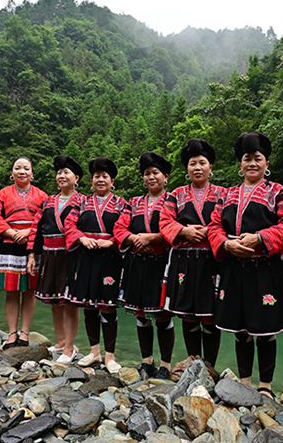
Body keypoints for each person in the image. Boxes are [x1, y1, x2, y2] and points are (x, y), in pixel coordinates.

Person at [208, 132, 283, 399]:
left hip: (265, 268)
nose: (252, 163)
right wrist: (226, 244)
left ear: (266, 163)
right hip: (234, 268)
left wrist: (260, 238)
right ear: (240, 164)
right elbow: (214, 226)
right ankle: (245, 382)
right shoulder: (227, 194)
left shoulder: (278, 192)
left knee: (266, 331)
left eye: (258, 158)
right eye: (247, 158)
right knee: (240, 330)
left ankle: (266, 385)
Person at [159, 139, 226, 368]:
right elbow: (165, 221)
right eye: (192, 163)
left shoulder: (223, 194)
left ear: (210, 167)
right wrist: (183, 231)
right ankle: (194, 364)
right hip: (184, 260)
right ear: (187, 169)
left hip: (211, 260)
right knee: (188, 314)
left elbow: (225, 221)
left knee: (210, 315)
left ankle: (210, 367)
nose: (197, 167)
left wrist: (209, 231)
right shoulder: (176, 195)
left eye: (202, 163)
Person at [114, 152, 175, 379]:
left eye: (155, 173)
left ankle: (166, 365)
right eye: (147, 173)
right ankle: (147, 361)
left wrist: (153, 238)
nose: (151, 177)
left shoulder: (173, 201)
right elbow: (119, 228)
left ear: (165, 176)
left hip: (162, 264)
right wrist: (135, 239)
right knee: (141, 315)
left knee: (162, 315)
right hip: (137, 263)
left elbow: (176, 228)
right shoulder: (134, 203)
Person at [64, 157, 127, 374]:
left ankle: (110, 356)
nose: (100, 180)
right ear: (91, 181)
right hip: (86, 255)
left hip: (109, 258)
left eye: (105, 176)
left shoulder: (122, 204)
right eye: (97, 176)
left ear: (112, 181)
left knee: (107, 305)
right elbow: (69, 225)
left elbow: (124, 227)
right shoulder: (81, 203)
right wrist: (81, 238)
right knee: (89, 305)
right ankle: (94, 352)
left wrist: (112, 241)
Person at [26, 155, 84, 364]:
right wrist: (32, 254)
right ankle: (60, 341)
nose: (62, 176)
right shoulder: (48, 201)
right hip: (49, 254)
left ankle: (70, 347)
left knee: (69, 301)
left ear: (77, 178)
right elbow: (36, 229)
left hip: (71, 255)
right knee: (55, 299)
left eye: (66, 172)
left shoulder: (83, 201)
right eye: (59, 173)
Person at [0, 157, 48, 349]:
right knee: (12, 291)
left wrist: (29, 232)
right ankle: (12, 333)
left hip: (33, 245)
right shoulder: (3, 193)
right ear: (12, 173)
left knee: (29, 291)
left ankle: (25, 332)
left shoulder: (42, 196)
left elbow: (45, 220)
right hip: (9, 244)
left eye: (26, 168)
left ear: (32, 173)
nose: (22, 171)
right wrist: (12, 233)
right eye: (17, 168)